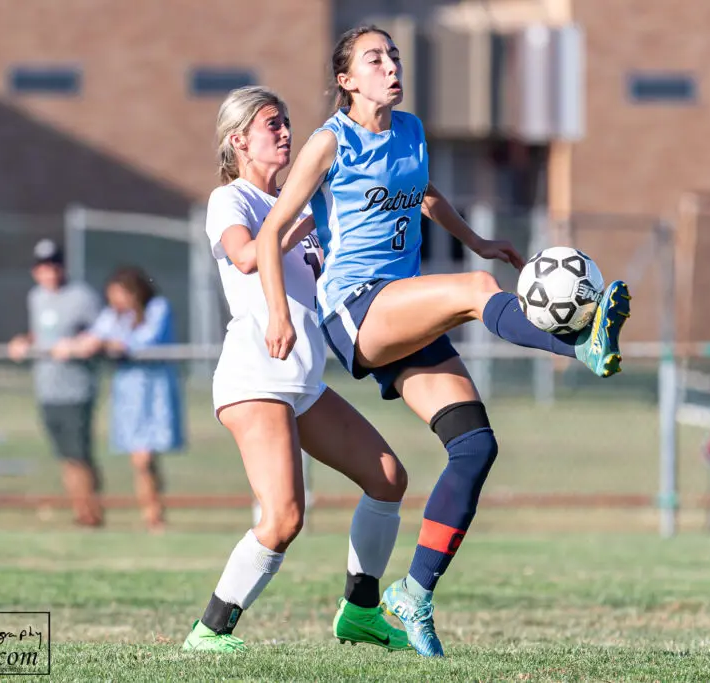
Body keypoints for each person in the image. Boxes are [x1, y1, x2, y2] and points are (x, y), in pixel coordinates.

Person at [255, 26, 632, 657]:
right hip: (352, 308)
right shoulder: (330, 142)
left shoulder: (412, 131)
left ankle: (414, 594)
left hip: (401, 307)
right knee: (475, 289)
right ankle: (583, 346)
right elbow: (271, 235)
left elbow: (424, 195)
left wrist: (477, 238)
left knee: (475, 447)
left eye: (394, 56)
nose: (390, 66)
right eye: (374, 59)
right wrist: (278, 314)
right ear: (347, 80)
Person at [182, 85, 409, 653]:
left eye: (286, 122)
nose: (284, 132)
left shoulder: (302, 203)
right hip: (256, 377)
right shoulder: (230, 200)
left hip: (302, 382)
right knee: (283, 518)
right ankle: (210, 630)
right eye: (270, 124)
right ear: (238, 141)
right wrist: (304, 222)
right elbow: (243, 255)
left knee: (387, 477)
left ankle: (360, 612)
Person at [53, 266, 184, 534]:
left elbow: (142, 341)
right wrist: (72, 345)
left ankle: (154, 513)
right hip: (129, 393)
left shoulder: (157, 308)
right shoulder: (114, 316)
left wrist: (105, 344)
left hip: (154, 391)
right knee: (140, 458)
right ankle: (152, 513)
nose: (116, 302)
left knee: (145, 458)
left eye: (120, 295)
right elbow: (95, 336)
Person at [8, 239, 104, 528]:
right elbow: (40, 334)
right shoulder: (36, 297)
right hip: (46, 388)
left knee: (79, 454)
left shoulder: (82, 297)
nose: (49, 272)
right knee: (65, 455)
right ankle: (81, 509)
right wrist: (23, 342)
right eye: (42, 267)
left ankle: (91, 513)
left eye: (54, 265)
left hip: (75, 389)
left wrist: (76, 346)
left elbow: (102, 332)